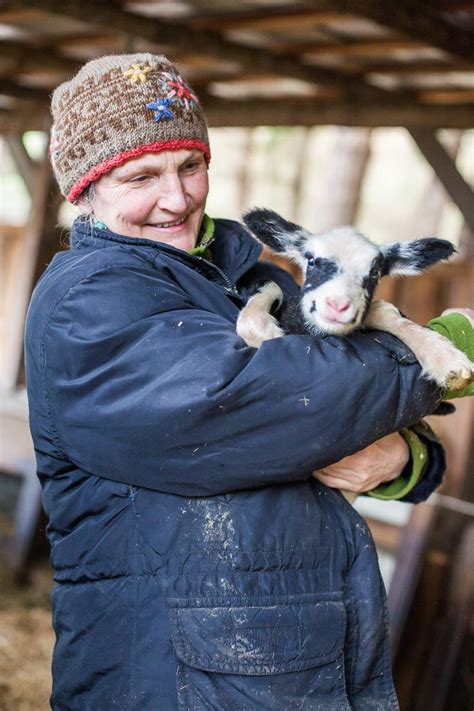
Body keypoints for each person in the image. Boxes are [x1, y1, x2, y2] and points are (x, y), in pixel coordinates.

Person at [25, 53, 460, 710]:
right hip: (173, 682)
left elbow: (354, 409)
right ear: (83, 192)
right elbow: (269, 399)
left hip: (292, 669)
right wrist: (438, 349)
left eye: (190, 165)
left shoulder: (249, 278)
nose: (177, 198)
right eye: (142, 176)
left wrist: (404, 455)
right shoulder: (89, 302)